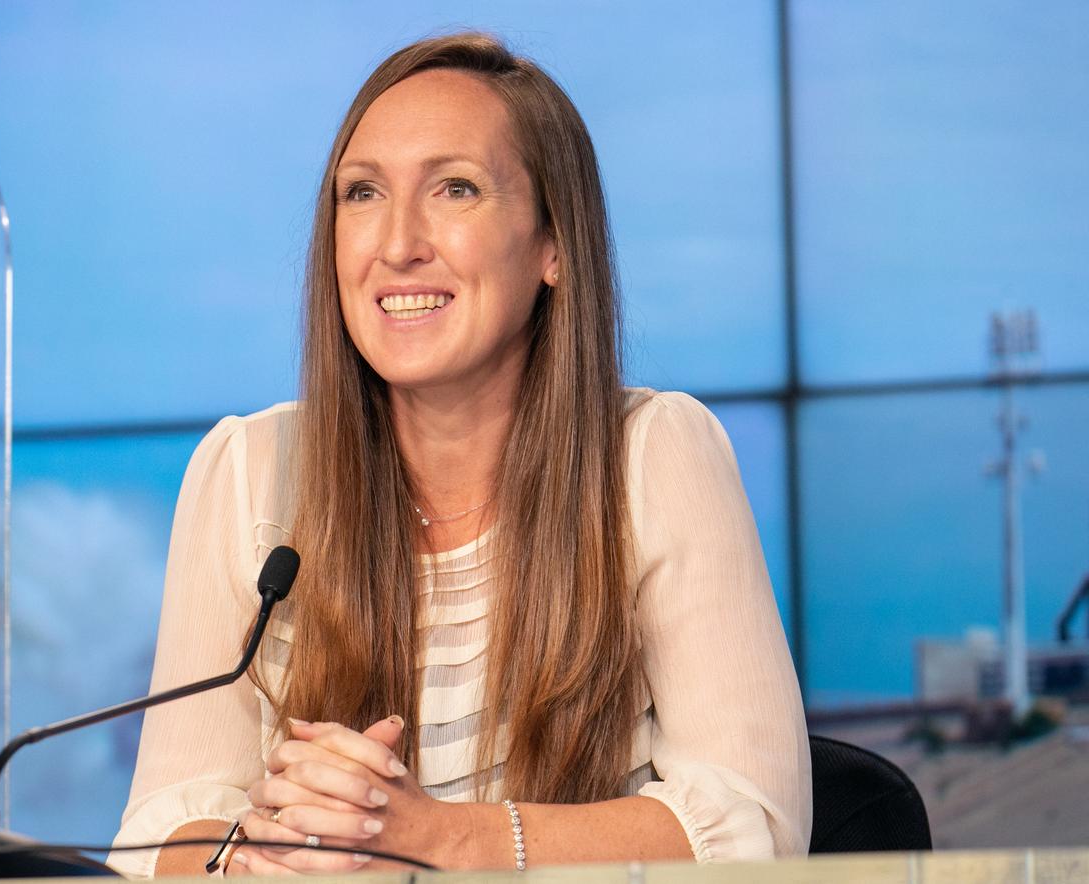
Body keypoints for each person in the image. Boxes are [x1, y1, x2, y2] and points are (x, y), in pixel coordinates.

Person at [109, 32, 810, 878]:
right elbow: (154, 836)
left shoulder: (653, 457)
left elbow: (753, 824)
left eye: (456, 189)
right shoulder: (247, 472)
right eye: (362, 194)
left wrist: (429, 836)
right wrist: (261, 856)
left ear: (554, 245)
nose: (397, 242)